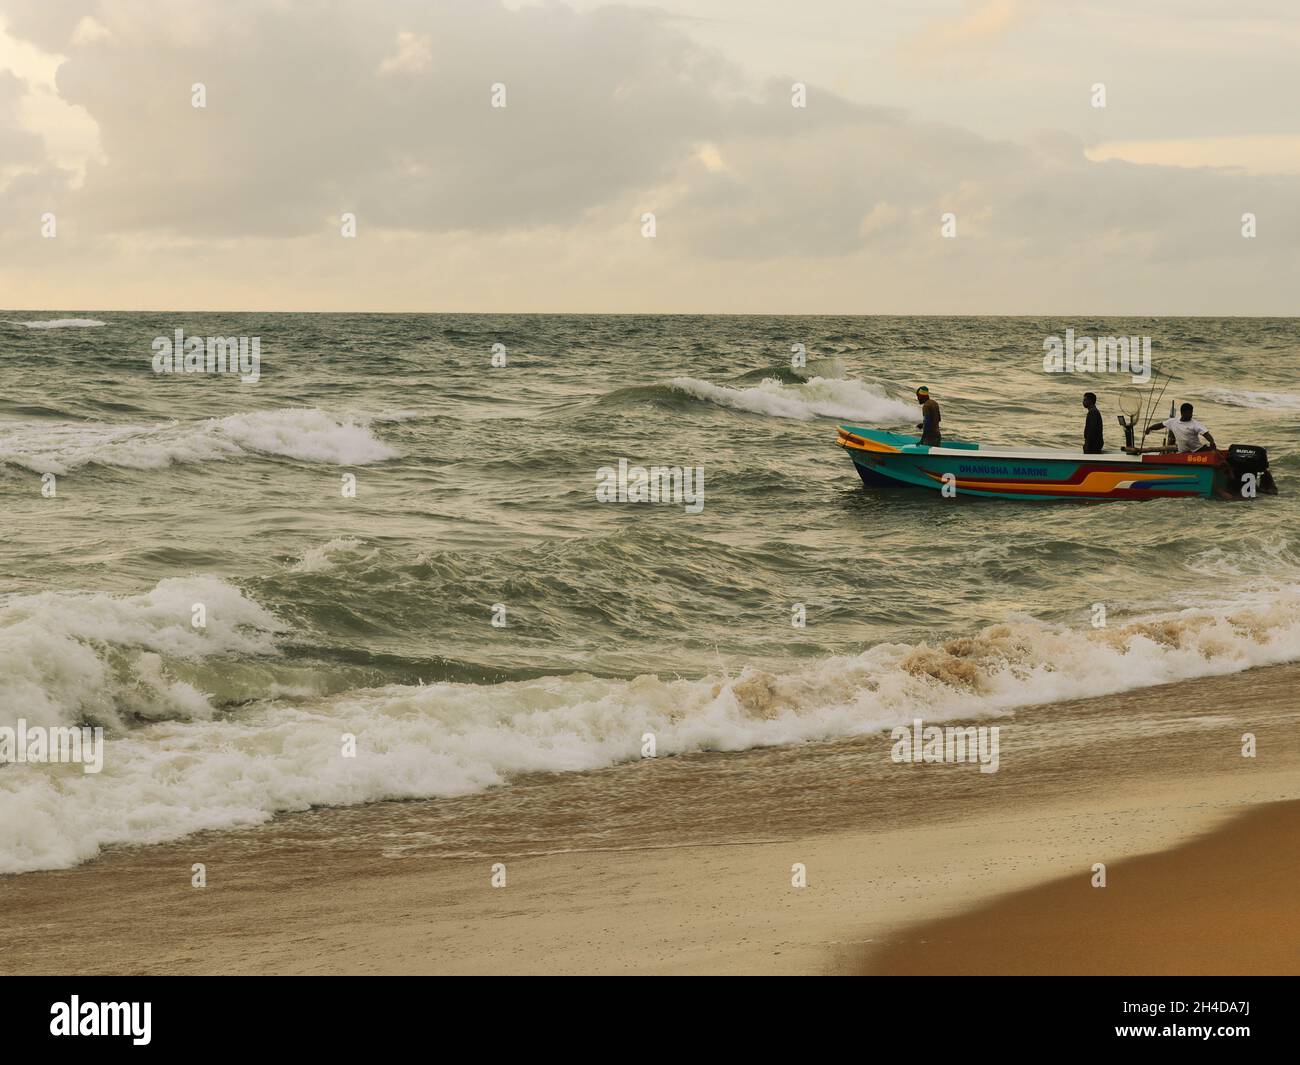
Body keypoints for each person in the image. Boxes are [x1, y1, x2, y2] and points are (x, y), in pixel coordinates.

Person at [1144, 402, 1216, 453]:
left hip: (1197, 450)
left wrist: (1212, 443)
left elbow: (1206, 434)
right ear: (1182, 413)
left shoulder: (1195, 424)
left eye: (1191, 413)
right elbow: (1160, 425)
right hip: (1183, 452)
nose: (1191, 415)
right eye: (1189, 413)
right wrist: (1150, 428)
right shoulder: (1173, 422)